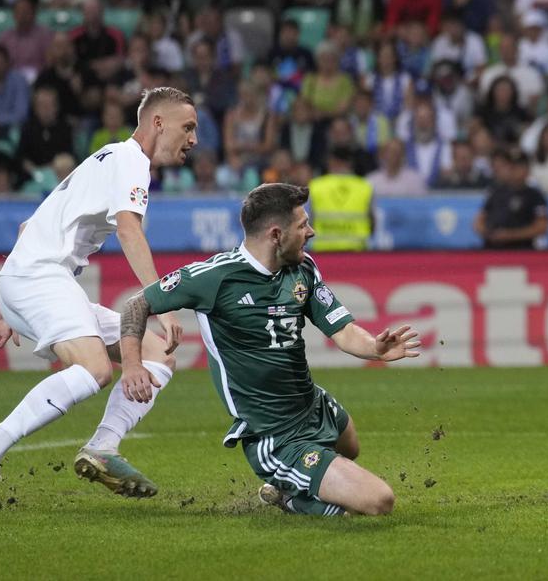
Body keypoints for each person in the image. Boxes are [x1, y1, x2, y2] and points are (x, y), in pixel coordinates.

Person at [116, 183, 421, 516]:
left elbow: (344, 330)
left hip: (312, 404)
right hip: (274, 434)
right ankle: (290, 497)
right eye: (303, 225)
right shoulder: (215, 277)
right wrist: (132, 365)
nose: (312, 231)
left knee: (350, 445)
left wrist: (375, 348)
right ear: (277, 234)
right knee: (378, 502)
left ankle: (300, 480)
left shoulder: (302, 269)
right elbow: (137, 304)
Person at [0, 87, 198, 508]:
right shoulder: (131, 161)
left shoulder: (105, 159)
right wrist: (162, 302)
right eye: (189, 127)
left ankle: (103, 446)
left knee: (158, 353)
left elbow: (26, 229)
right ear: (158, 123)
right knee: (94, 368)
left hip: (33, 277)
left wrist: (8, 307)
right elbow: (129, 231)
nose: (194, 139)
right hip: (38, 277)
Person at [474, 146, 548, 249]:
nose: (513, 170)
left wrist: (510, 235)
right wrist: (487, 232)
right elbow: (479, 220)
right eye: (510, 165)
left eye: (518, 166)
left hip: (521, 249)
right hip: (492, 248)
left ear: (527, 169)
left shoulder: (535, 195)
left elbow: (542, 226)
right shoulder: (495, 191)